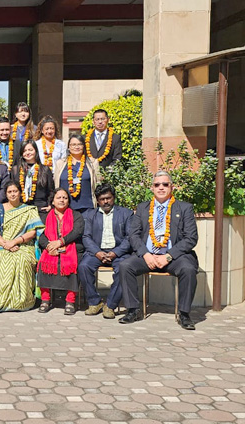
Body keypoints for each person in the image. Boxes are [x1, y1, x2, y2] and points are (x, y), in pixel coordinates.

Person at [118, 171, 199, 330]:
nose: (161, 187)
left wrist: (168, 256)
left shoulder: (184, 208)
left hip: (174, 256)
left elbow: (191, 238)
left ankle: (184, 314)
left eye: (165, 184)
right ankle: (133, 310)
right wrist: (146, 254)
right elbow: (133, 235)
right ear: (152, 188)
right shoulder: (142, 208)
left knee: (188, 269)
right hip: (148, 255)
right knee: (125, 266)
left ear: (172, 187)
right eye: (157, 185)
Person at [0, 181, 45, 313]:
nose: (12, 194)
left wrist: (15, 241)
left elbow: (33, 231)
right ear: (6, 194)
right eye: (9, 192)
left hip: (24, 245)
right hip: (1, 244)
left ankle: (23, 301)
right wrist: (5, 244)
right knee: (0, 259)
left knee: (22, 260)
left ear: (20, 193)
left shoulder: (29, 209)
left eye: (15, 191)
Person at [78, 183, 133, 319]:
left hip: (119, 252)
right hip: (97, 252)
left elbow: (130, 237)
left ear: (113, 198)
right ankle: (95, 302)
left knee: (123, 269)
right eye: (102, 199)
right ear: (97, 200)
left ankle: (110, 305)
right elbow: (86, 237)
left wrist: (115, 253)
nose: (106, 201)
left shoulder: (126, 214)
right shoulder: (90, 214)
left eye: (108, 198)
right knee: (83, 267)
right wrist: (97, 252)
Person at [37, 188, 85, 315]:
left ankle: (70, 301)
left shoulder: (76, 215)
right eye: (59, 198)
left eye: (65, 198)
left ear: (68, 201)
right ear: (52, 201)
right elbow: (39, 234)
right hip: (51, 250)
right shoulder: (45, 217)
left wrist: (60, 242)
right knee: (43, 263)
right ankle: (45, 300)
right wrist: (48, 246)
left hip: (70, 248)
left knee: (74, 265)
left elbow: (77, 231)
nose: (62, 200)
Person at [53, 134, 101, 214]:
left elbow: (98, 183)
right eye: (73, 145)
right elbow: (55, 185)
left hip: (87, 208)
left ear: (84, 146)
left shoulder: (92, 163)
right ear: (68, 147)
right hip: (65, 208)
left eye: (79, 144)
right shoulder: (60, 163)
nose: (76, 147)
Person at [11, 139, 55, 218]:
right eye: (24, 151)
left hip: (41, 209)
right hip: (21, 209)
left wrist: (50, 205)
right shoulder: (16, 170)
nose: (28, 153)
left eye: (30, 150)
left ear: (36, 151)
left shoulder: (45, 169)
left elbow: (51, 190)